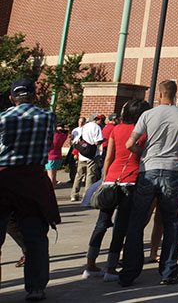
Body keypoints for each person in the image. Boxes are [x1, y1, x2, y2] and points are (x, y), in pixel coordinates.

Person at [119, 80, 178, 287]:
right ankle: (168, 271)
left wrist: (142, 154)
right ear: (175, 94)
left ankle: (129, 272)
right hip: (171, 170)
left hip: (148, 170)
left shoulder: (147, 115)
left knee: (137, 221)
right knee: (170, 222)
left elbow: (130, 143)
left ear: (160, 94)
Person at [0, 79, 60, 301]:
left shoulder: (3, 118)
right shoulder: (48, 116)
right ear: (34, 96)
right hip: (33, 180)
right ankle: (36, 287)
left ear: (11, 97)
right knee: (35, 237)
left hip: (4, 178)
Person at [84, 99, 149, 282]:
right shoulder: (142, 132)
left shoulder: (116, 129)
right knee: (121, 226)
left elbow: (108, 157)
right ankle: (111, 268)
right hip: (131, 179)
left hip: (112, 178)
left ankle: (90, 264)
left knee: (101, 223)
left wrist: (105, 179)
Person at [71, 113, 104, 202]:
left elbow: (78, 139)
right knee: (90, 176)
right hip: (92, 155)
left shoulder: (84, 127)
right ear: (97, 119)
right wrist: (104, 140)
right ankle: (86, 196)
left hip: (82, 154)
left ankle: (74, 195)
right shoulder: (96, 127)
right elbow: (97, 142)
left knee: (79, 175)